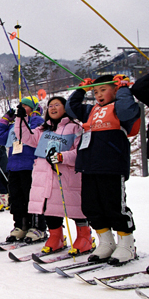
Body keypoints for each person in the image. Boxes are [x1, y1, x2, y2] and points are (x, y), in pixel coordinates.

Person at [66, 74, 140, 265]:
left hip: (111, 165)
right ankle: (106, 242)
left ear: (115, 89)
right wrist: (82, 89)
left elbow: (126, 113)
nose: (98, 94)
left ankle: (127, 243)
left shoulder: (121, 105)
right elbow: (71, 108)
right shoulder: (91, 110)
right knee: (91, 206)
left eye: (103, 90)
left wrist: (123, 88)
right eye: (96, 91)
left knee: (114, 205)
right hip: (89, 165)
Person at [15, 96, 93, 253]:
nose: (53, 108)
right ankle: (55, 237)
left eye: (57, 105)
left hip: (66, 174)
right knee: (49, 208)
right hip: (44, 175)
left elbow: (80, 152)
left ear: (66, 108)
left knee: (75, 207)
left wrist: (63, 157)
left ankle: (85, 237)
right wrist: (21, 118)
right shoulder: (44, 129)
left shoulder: (75, 127)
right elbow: (25, 137)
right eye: (50, 105)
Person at [0, 96, 45, 243]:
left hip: (30, 165)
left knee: (32, 198)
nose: (21, 109)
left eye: (26, 106)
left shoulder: (36, 121)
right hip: (14, 165)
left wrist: (32, 115)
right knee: (16, 198)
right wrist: (5, 119)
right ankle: (20, 225)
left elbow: (36, 132)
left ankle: (37, 226)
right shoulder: (14, 125)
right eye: (20, 106)